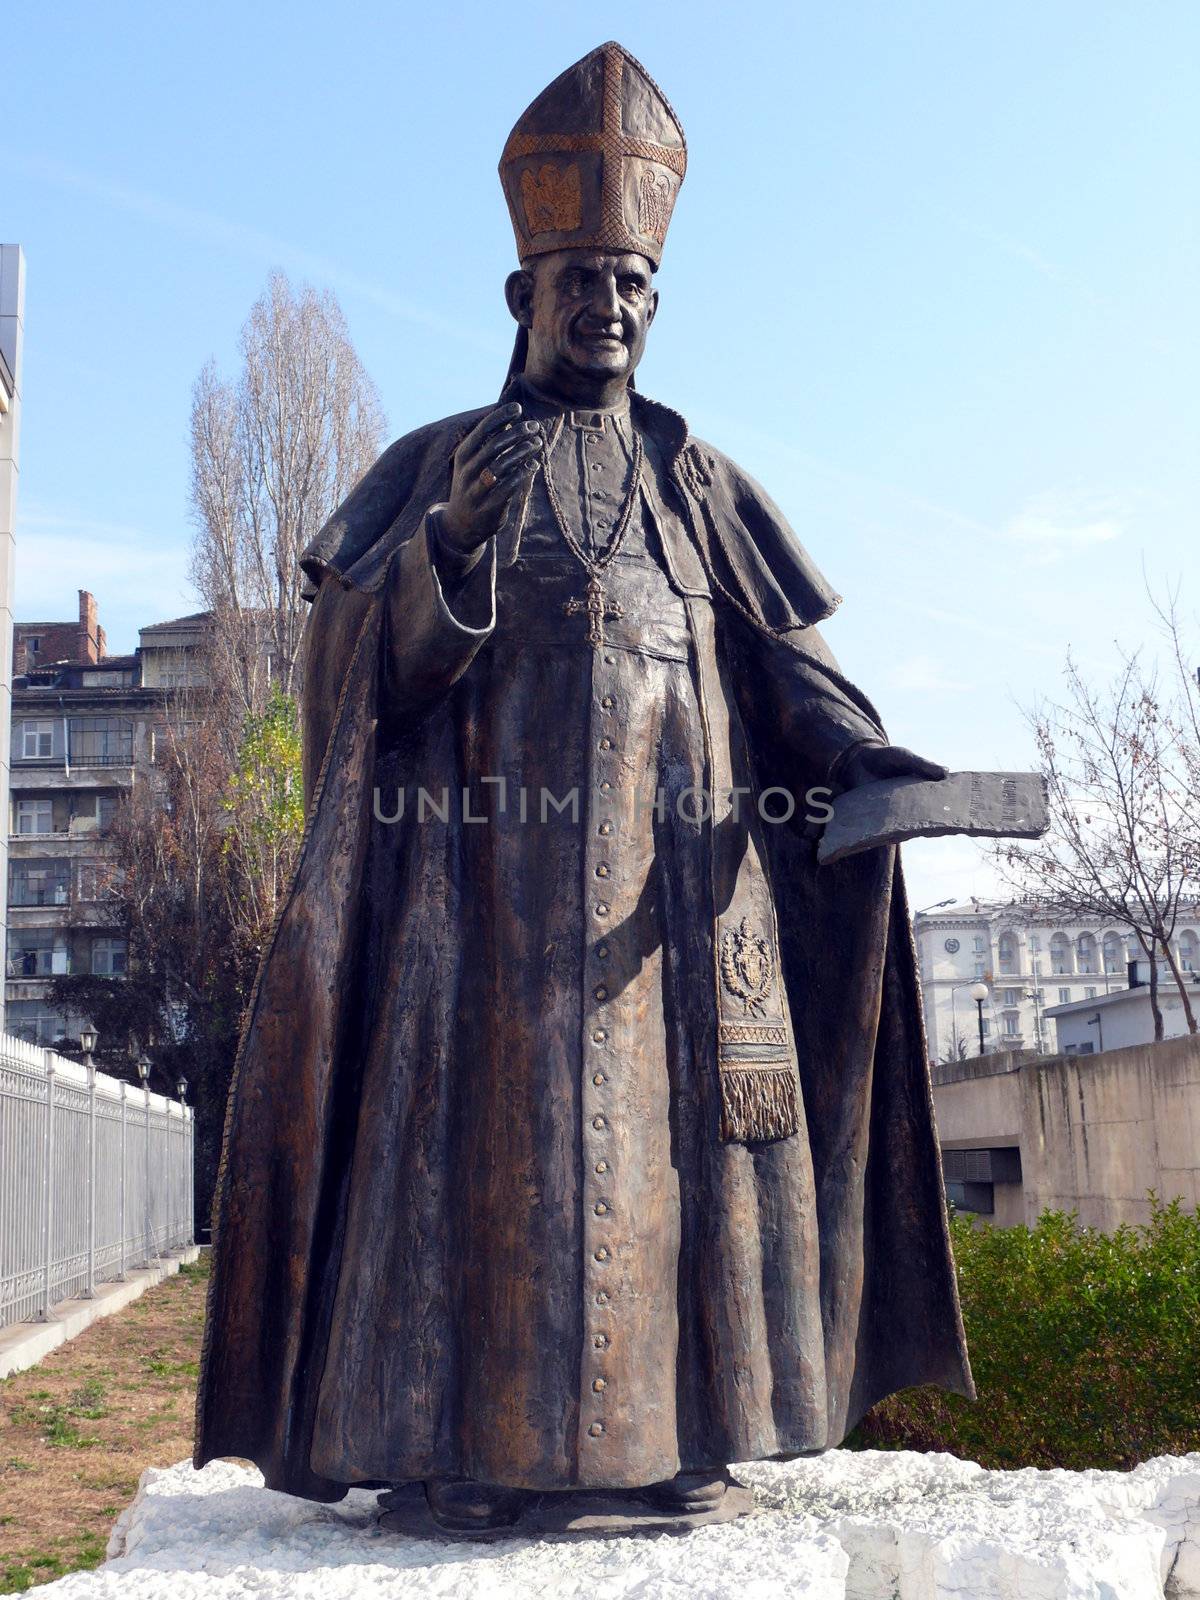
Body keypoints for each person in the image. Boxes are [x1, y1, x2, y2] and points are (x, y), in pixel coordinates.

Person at [196, 41, 971, 1534]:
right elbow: (366, 689)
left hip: (671, 930)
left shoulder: (700, 487)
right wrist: (450, 558)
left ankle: (688, 1439)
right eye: (582, 282)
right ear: (521, 295)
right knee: (492, 1192)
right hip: (483, 932)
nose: (608, 307)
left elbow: (783, 670)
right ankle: (467, 1456)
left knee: (673, 1191)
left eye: (631, 284)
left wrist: (863, 761)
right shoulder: (438, 466)